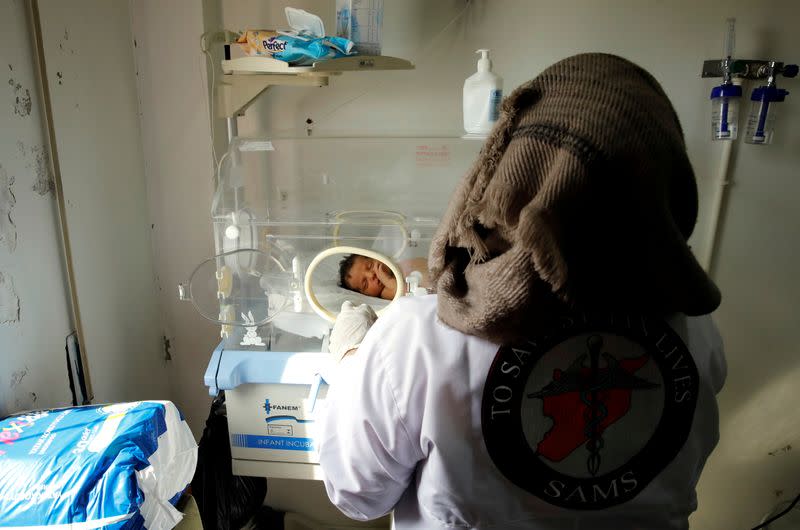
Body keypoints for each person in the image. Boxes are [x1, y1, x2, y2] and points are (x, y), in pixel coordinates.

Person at [318, 53, 726, 529]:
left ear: (510, 163)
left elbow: (358, 493)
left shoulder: (422, 337)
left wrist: (350, 361)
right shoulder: (696, 329)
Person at [338, 254, 430, 300]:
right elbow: (403, 291)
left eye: (370, 266)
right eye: (365, 283)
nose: (371, 275)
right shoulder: (385, 291)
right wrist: (387, 279)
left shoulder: (397, 263)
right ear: (365, 294)